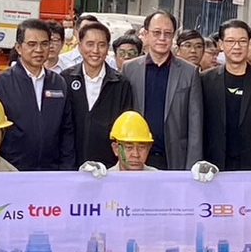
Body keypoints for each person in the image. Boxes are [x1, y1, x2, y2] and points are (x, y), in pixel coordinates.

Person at [0, 19, 76, 171]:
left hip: (51, 171)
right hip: (11, 170)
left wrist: (67, 169)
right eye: (32, 44)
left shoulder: (58, 83)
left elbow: (67, 130)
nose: (39, 50)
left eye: (44, 44)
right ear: (19, 48)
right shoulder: (1, 83)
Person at [121, 11, 203, 170]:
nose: (162, 38)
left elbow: (195, 125)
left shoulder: (189, 72)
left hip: (173, 158)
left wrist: (192, 168)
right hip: (136, 158)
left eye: (168, 33)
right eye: (156, 33)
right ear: (146, 34)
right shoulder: (129, 69)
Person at [202, 20, 251, 172]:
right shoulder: (205, 80)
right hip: (215, 166)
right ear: (221, 44)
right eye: (231, 41)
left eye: (242, 41)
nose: (237, 47)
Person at [62, 21, 135, 167]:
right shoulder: (65, 79)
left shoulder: (121, 83)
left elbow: (124, 127)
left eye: (101, 45)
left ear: (108, 48)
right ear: (80, 46)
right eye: (90, 44)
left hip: (108, 167)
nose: (95, 50)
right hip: (71, 166)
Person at [81, 110, 157, 174]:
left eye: (141, 148)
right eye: (129, 147)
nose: (136, 154)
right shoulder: (107, 180)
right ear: (116, 148)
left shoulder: (158, 179)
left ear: (148, 148)